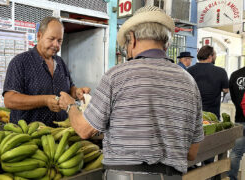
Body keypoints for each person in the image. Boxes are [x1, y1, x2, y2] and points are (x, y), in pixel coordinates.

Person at [58, 6, 203, 180]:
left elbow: (84, 130)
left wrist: (70, 106)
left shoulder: (117, 75)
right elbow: (192, 152)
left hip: (125, 175)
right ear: (167, 43)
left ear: (132, 39)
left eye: (126, 44)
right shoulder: (189, 82)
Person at [2, 16, 90, 127]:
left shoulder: (60, 62)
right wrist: (44, 100)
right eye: (51, 39)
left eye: (59, 41)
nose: (56, 45)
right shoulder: (20, 62)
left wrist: (77, 92)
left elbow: (70, 88)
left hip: (60, 135)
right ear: (39, 36)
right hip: (30, 138)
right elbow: (9, 100)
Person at [187, 45, 229, 119]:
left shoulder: (189, 71)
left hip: (193, 114)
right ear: (210, 56)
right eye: (215, 54)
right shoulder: (221, 71)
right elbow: (226, 90)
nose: (216, 56)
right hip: (213, 115)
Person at [228, 67, 245, 180]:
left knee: (236, 153)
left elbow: (233, 97)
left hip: (240, 119)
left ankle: (231, 178)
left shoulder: (235, 74)